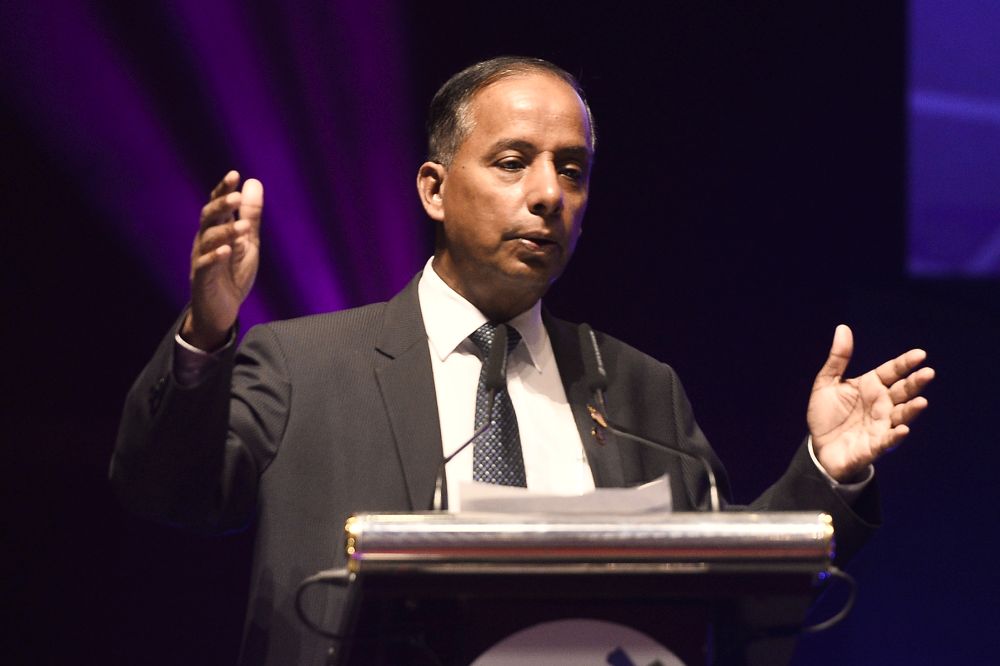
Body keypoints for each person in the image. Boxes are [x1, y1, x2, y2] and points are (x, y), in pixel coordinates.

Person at [111, 57, 934, 665]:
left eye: (571, 171)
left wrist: (824, 471)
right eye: (514, 162)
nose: (549, 194)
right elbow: (168, 489)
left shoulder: (638, 387)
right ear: (434, 189)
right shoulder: (304, 362)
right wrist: (205, 334)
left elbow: (730, 586)